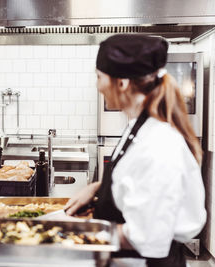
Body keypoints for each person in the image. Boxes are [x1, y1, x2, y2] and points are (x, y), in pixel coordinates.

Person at [64, 34, 206, 266]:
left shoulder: (159, 145)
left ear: (122, 83)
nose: (98, 86)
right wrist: (99, 187)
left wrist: (76, 235)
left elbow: (149, 238)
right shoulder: (140, 129)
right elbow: (139, 178)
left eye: (99, 77)